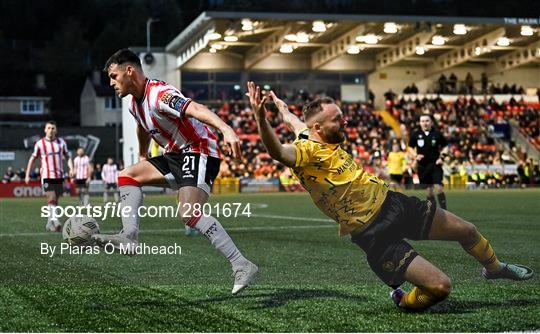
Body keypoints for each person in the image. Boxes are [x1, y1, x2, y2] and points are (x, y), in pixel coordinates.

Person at [246, 81, 533, 311]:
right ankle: (404, 300)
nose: (345, 123)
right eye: (338, 120)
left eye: (343, 116)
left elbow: (294, 120)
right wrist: (261, 118)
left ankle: (494, 268)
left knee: (467, 231)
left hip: (394, 202)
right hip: (373, 232)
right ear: (318, 128)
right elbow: (278, 152)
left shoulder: (310, 132)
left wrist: (280, 108)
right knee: (440, 287)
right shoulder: (304, 152)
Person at [93, 49, 257, 294]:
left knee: (189, 214)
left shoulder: (160, 94)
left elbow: (196, 109)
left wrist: (226, 129)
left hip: (199, 149)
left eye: (114, 76)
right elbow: (142, 127)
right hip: (175, 155)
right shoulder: (133, 105)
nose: (111, 83)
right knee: (127, 175)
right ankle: (129, 235)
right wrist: (142, 154)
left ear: (130, 71)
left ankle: (241, 264)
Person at [24, 121, 73, 232]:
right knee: (51, 197)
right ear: (45, 130)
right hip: (46, 175)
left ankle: (49, 223)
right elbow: (32, 159)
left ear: (56, 130)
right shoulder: (40, 144)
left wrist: (71, 168)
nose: (51, 130)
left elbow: (68, 156)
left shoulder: (61, 143)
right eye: (49, 128)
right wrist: (27, 175)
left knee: (55, 200)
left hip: (59, 175)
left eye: (53, 128)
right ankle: (56, 221)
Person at [407, 114, 449, 210]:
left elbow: (446, 146)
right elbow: (410, 147)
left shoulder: (437, 134)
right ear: (420, 123)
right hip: (422, 166)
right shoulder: (416, 134)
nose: (424, 123)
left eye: (427, 121)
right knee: (429, 192)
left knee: (439, 188)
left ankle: (445, 211)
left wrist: (442, 158)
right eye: (422, 121)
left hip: (435, 165)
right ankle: (434, 213)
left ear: (431, 122)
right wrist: (415, 156)